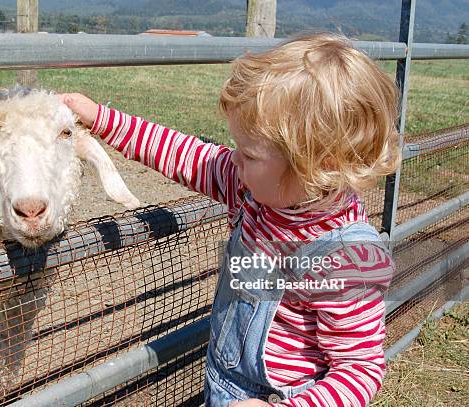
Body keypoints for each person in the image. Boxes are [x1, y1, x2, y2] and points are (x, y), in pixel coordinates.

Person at [58, 33, 400, 407]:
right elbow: (181, 153)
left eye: (249, 154)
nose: (234, 160)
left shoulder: (347, 257)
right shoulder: (251, 190)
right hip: (223, 389)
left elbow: (358, 368)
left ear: (319, 166)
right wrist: (102, 119)